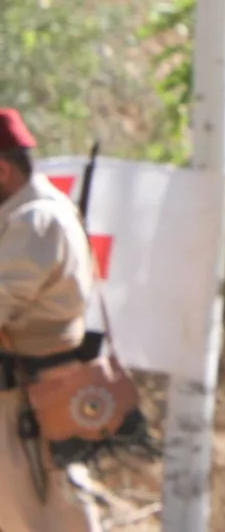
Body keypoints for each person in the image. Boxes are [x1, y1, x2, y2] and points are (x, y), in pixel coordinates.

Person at [0, 110, 101, 532]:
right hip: (34, 396)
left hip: (28, 402)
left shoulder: (33, 221)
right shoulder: (33, 213)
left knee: (43, 516)